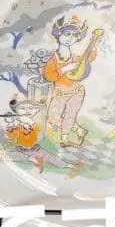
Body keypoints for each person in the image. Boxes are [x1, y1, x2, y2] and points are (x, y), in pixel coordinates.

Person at [42, 15, 102, 148]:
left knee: (70, 114)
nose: (70, 38)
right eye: (67, 34)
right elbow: (48, 76)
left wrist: (94, 41)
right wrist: (64, 69)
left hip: (76, 91)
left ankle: (64, 138)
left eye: (74, 35)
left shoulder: (76, 58)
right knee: (52, 117)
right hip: (60, 93)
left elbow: (90, 57)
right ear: (59, 34)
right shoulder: (54, 59)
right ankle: (79, 130)